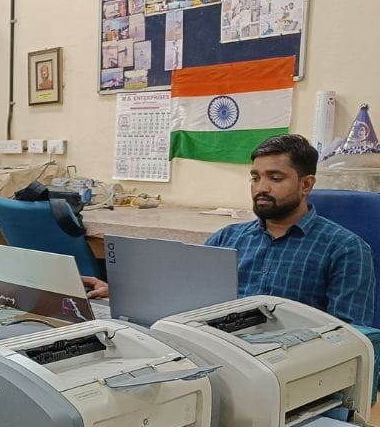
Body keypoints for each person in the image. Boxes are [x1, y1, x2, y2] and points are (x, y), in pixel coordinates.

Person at [84, 135, 375, 327]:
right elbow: (186, 296)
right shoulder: (228, 238)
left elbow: (352, 336)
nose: (261, 188)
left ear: (306, 185)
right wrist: (123, 291)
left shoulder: (344, 249)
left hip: (293, 367)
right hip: (220, 353)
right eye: (255, 177)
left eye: (275, 178)